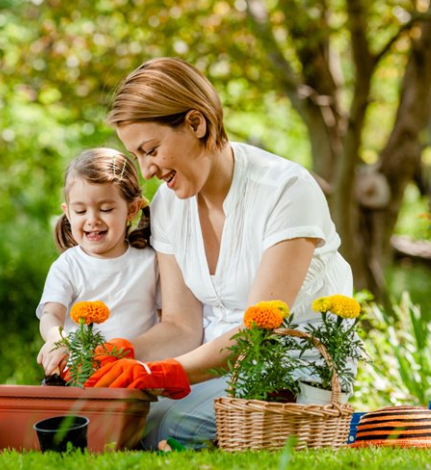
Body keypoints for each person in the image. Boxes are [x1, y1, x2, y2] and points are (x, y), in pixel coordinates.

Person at [83, 57, 354, 449]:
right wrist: (124, 354)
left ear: (197, 123)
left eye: (152, 149)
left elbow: (261, 331)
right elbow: (181, 326)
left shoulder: (285, 190)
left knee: (170, 427)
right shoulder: (168, 206)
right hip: (209, 375)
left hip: (290, 378)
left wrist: (163, 374)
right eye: (138, 156)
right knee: (114, 419)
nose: (146, 171)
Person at [36, 148, 161, 377]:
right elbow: (51, 314)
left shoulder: (150, 262)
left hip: (134, 378)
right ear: (68, 213)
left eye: (106, 209)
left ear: (131, 210)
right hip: (79, 377)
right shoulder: (68, 266)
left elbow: (166, 320)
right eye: (81, 210)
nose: (92, 220)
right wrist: (57, 339)